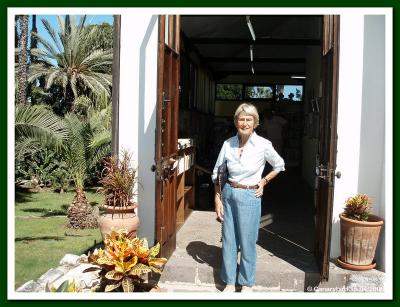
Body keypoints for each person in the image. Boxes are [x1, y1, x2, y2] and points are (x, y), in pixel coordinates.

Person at [211, 103, 285, 293]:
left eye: (249, 119)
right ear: (236, 122)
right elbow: (218, 172)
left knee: (248, 241)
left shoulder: (263, 145)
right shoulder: (228, 143)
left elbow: (279, 164)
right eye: (241, 119)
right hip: (228, 193)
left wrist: (263, 182)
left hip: (250, 195)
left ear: (256, 122)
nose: (244, 123)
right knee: (228, 240)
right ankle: (228, 281)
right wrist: (217, 198)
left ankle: (246, 282)